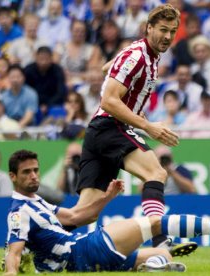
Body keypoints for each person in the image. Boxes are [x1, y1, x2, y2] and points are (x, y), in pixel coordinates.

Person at [74, 4, 197, 256]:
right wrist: (147, 126)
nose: (167, 36)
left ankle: (24, 245)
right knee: (156, 172)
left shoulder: (144, 55)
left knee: (84, 213)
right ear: (148, 28)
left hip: (99, 130)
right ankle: (160, 243)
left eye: (173, 31)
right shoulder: (138, 55)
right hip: (110, 126)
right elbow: (109, 100)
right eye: (162, 30)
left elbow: (105, 68)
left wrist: (121, 66)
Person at [3, 149, 210, 275]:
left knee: (165, 255)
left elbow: (80, 217)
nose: (34, 175)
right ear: (13, 177)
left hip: (82, 262)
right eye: (26, 172)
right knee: (155, 223)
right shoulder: (19, 211)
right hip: (84, 250)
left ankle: (152, 266)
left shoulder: (37, 202)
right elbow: (14, 251)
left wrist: (107, 198)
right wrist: (11, 272)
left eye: (35, 170)